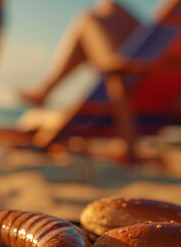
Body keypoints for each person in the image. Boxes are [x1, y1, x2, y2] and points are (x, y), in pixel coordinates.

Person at [19, 0, 148, 163]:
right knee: (108, 6)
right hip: (154, 82)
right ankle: (45, 90)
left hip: (129, 80)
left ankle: (46, 90)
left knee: (87, 20)